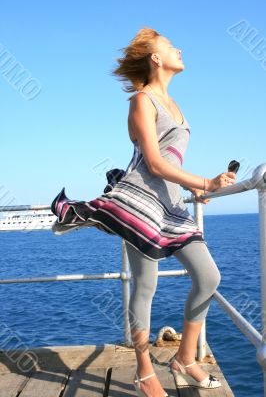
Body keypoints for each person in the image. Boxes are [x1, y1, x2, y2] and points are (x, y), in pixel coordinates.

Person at [50, 28, 236, 396]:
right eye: (171, 46)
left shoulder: (176, 105)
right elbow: (152, 161)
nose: (179, 49)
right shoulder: (142, 101)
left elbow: (169, 160)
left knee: (208, 277)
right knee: (146, 286)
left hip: (173, 205)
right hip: (142, 205)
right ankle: (144, 369)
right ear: (155, 58)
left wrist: (193, 189)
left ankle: (185, 357)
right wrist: (205, 182)